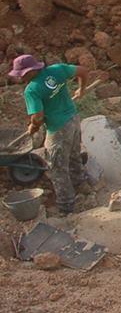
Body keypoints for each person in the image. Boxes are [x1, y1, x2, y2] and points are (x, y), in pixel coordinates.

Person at [9, 54, 90, 214]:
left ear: (29, 72)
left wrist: (33, 127)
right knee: (74, 154)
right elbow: (83, 71)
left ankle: (66, 207)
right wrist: (81, 89)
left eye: (21, 74)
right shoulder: (57, 69)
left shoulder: (32, 89)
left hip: (58, 128)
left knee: (56, 167)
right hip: (73, 119)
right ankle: (81, 184)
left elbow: (38, 117)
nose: (20, 78)